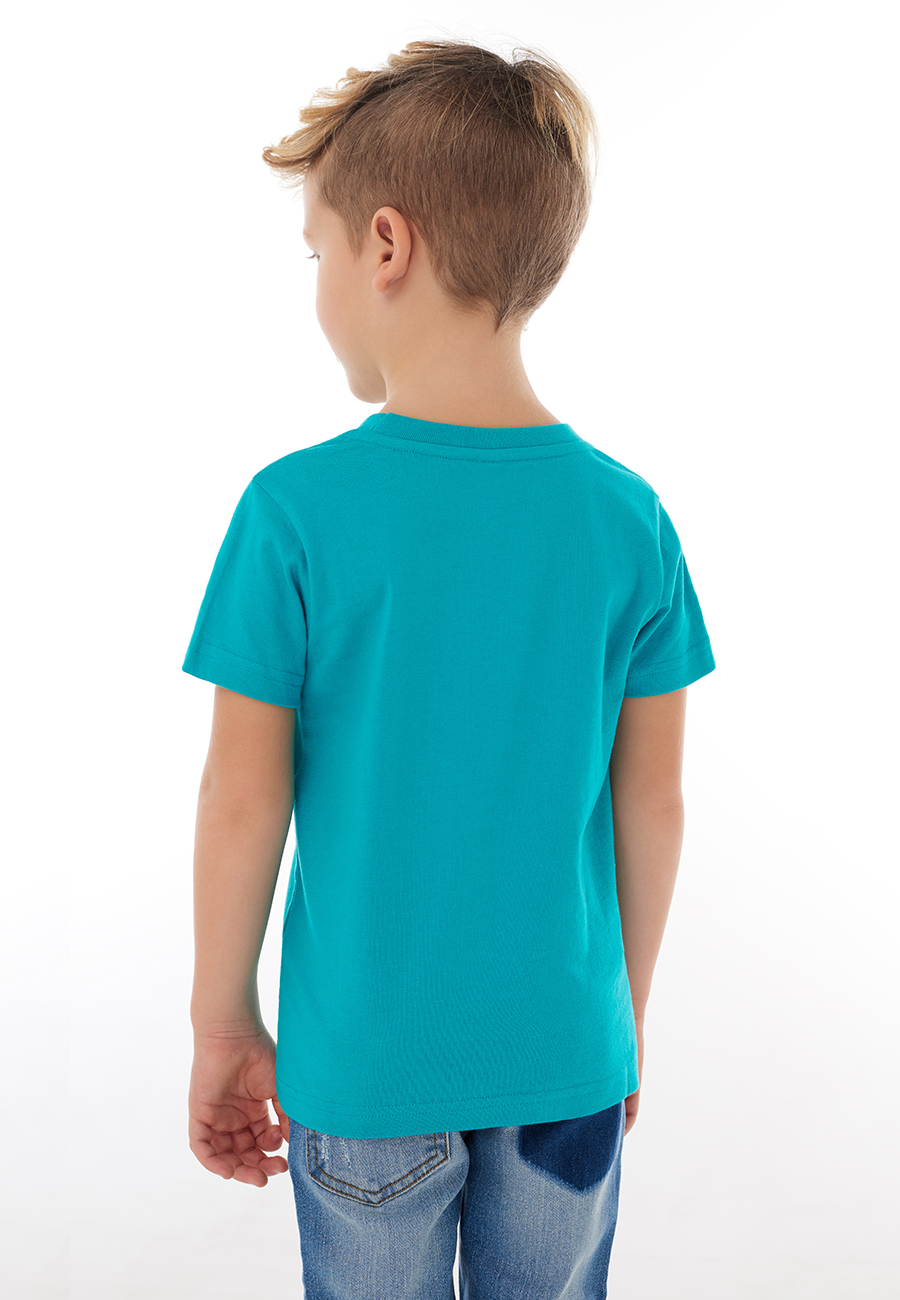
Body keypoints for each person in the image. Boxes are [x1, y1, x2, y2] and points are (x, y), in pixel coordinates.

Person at [183, 37, 716, 1300]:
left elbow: (243, 799)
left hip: (366, 1071)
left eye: (315, 254)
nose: (318, 288)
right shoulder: (630, 520)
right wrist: (621, 1020)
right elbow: (652, 801)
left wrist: (222, 1022)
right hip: (567, 1060)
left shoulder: (292, 513)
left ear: (385, 245)